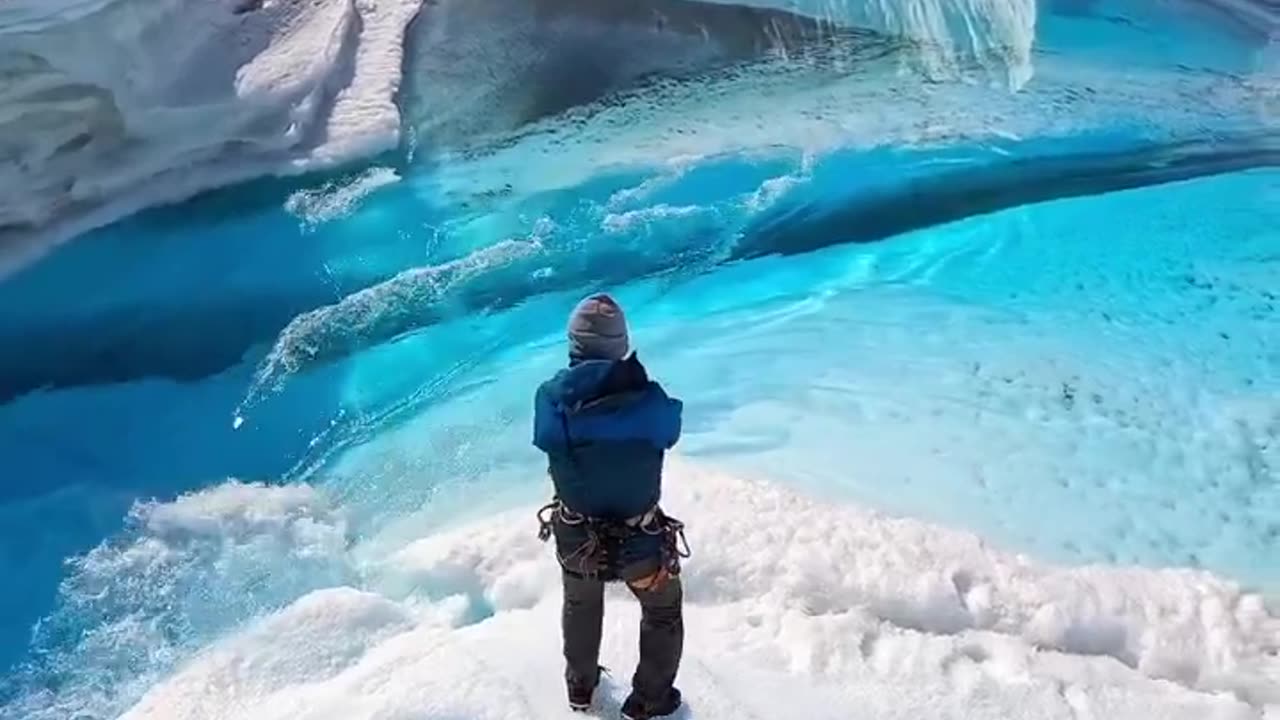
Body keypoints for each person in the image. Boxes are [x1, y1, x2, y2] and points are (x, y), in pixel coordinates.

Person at [533, 293, 687, 720]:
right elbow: (670, 430)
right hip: (641, 541)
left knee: (581, 604)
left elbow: (546, 437)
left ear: (574, 345)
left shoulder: (550, 398)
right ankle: (649, 701)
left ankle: (580, 688)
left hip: (577, 535)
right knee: (662, 610)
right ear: (621, 346)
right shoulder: (651, 399)